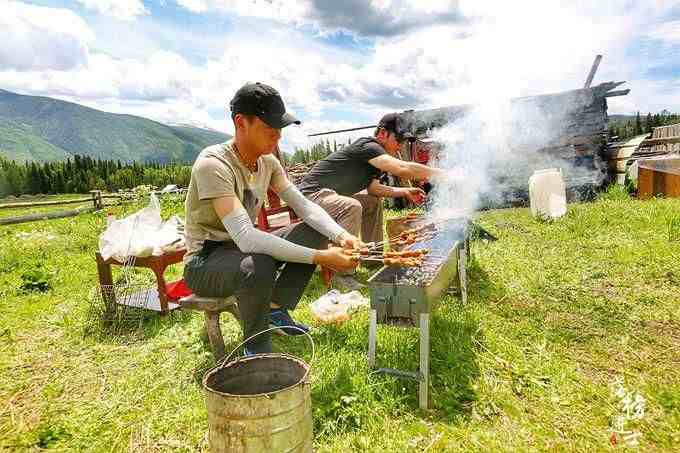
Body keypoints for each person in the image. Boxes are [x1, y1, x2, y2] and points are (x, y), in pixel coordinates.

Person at [183, 82, 359, 355]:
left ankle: (276, 310)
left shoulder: (268, 163)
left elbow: (305, 208)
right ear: (241, 123)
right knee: (259, 264)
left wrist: (341, 235)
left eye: (280, 128)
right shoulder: (213, 165)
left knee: (313, 230)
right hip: (204, 260)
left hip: (239, 250)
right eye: (269, 127)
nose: (278, 135)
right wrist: (320, 257)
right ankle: (256, 347)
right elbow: (246, 236)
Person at [297, 113, 443, 287]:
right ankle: (341, 274)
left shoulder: (374, 160)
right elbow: (401, 168)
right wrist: (442, 174)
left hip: (329, 197)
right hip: (310, 197)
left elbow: (374, 189)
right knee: (351, 206)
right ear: (382, 133)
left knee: (372, 201)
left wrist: (404, 191)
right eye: (398, 140)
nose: (400, 147)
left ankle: (372, 259)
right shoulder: (368, 146)